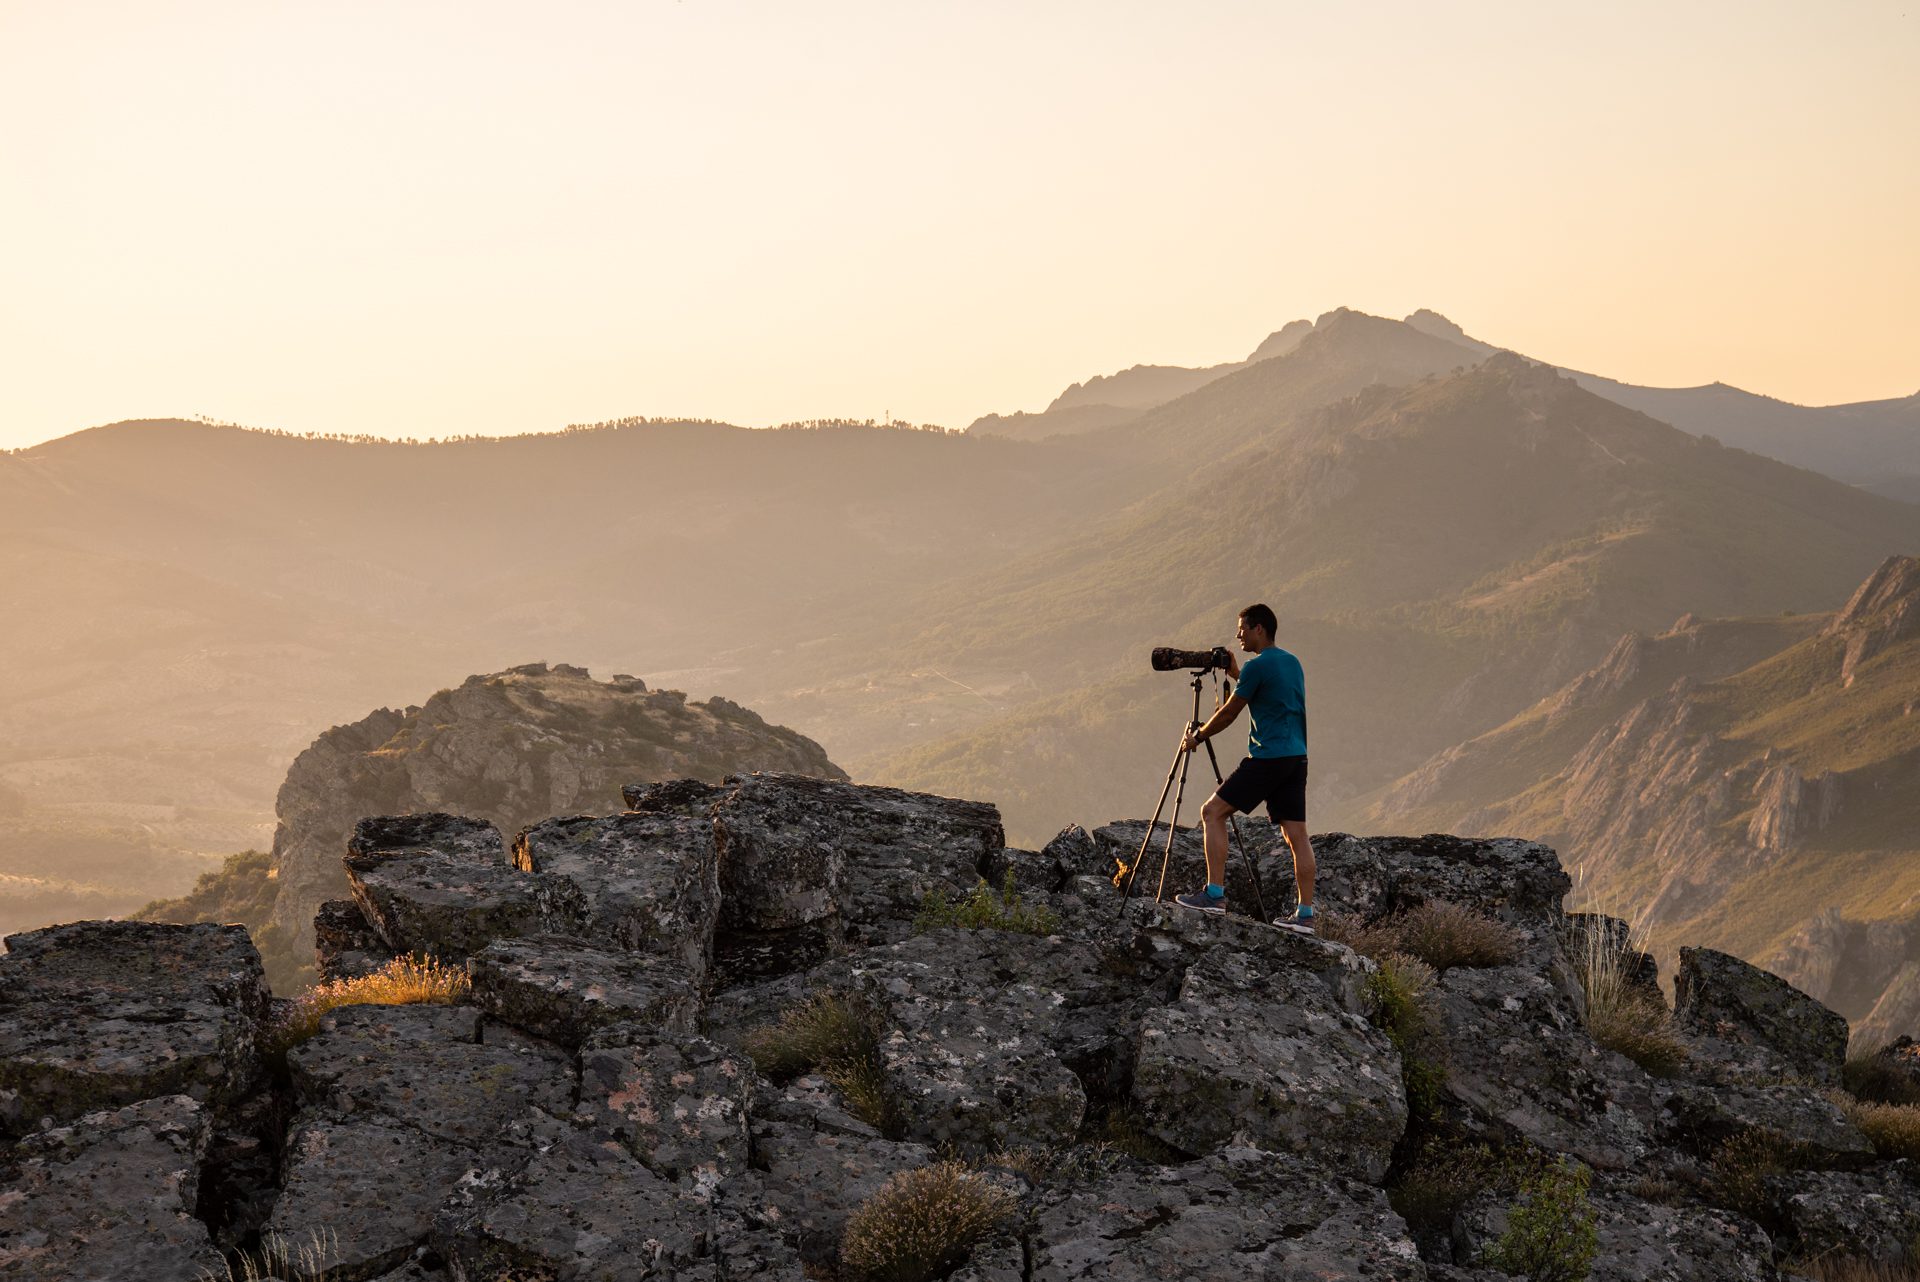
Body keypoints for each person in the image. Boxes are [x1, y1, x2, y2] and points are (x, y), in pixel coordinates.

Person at [1174, 603, 1317, 934]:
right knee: (1297, 835)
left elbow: (1228, 714)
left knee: (1212, 812)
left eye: (1242, 628)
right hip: (1296, 757)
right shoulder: (1291, 663)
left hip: (1267, 756)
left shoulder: (1257, 667)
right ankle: (1305, 914)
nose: (1238, 634)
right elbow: (1267, 694)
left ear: (1259, 629)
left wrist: (1198, 736)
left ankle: (1214, 895)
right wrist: (1237, 674)